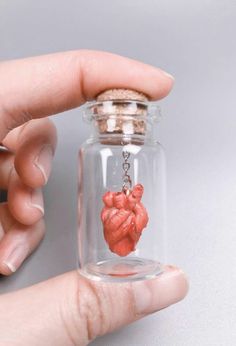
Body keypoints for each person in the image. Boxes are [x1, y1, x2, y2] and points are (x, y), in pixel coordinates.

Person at [0, 50, 188, 345]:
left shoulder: (146, 157)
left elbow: (142, 217)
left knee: (128, 228)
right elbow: (106, 215)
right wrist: (122, 206)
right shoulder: (93, 154)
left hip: (126, 233)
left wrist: (129, 205)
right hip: (118, 230)